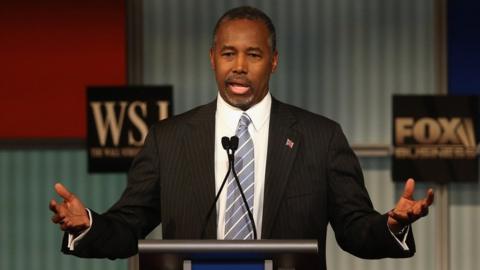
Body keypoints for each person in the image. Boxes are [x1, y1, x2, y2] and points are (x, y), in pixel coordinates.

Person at [50, 6, 434, 269]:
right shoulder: (168, 139)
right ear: (212, 57)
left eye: (253, 54)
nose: (239, 67)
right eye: (229, 53)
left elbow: (354, 231)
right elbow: (128, 226)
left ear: (274, 60)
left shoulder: (321, 137)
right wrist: (87, 224)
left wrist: (392, 224)